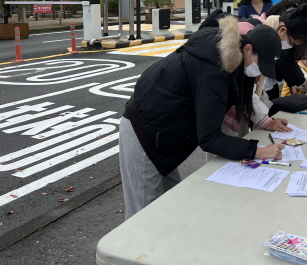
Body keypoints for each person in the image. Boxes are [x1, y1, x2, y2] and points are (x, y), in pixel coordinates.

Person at [119, 17, 284, 219]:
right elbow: (210, 138)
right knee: (141, 216)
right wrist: (257, 151)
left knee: (168, 206)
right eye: (261, 64)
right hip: (145, 132)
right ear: (248, 49)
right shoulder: (214, 68)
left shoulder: (231, 58)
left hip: (166, 133)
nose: (259, 73)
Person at [261, 3, 307, 99]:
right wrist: (303, 83)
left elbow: (288, 61)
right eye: (292, 43)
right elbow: (285, 60)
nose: (291, 46)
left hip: (268, 86)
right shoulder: (260, 37)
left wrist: (302, 83)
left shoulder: (276, 32)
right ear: (282, 30)